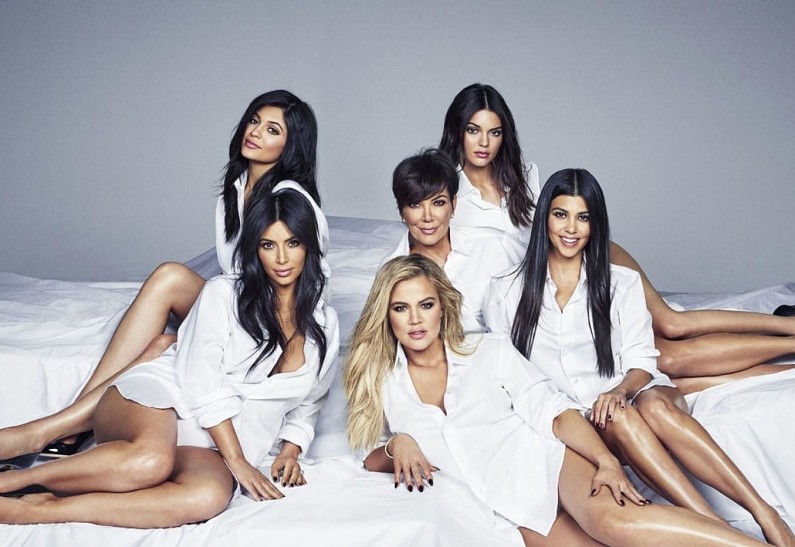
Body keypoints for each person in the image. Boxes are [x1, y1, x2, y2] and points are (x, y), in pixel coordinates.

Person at [344, 254, 767, 546]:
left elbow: (554, 412)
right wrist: (397, 444)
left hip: (545, 464)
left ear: (442, 307)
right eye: (401, 308)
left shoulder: (488, 352)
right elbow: (368, 456)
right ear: (387, 315)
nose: (415, 319)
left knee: (615, 522)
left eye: (425, 305)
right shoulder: (381, 381)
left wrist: (604, 461)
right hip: (502, 511)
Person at [0, 90, 326, 460]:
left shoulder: (291, 200)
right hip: (241, 306)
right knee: (163, 331)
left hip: (268, 320)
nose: (255, 133)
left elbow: (311, 279)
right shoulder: (237, 187)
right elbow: (236, 272)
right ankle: (69, 424)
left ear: (290, 146)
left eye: (272, 130)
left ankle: (60, 426)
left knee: (169, 291)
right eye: (254, 121)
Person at [484, 168, 794, 547]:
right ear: (545, 217)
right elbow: (505, 374)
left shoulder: (620, 282)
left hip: (638, 392)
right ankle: (715, 527)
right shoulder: (506, 292)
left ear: (595, 223)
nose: (571, 228)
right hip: (584, 420)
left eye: (583, 217)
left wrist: (620, 390)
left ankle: (763, 512)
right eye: (561, 214)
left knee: (644, 408)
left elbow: (643, 360)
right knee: (618, 415)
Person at [0, 188, 339, 528]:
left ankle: (42, 508)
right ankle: (16, 481)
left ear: (309, 246)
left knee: (207, 496)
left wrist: (290, 450)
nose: (281, 258)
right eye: (268, 245)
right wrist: (237, 460)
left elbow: (311, 401)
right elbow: (202, 383)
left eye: (292, 243)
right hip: (162, 399)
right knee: (151, 460)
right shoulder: (223, 294)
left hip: (211, 446)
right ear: (255, 249)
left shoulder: (325, 324)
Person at [439, 83, 795, 389]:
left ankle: (786, 325)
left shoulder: (524, 176)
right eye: (473, 130)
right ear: (458, 131)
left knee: (672, 323)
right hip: (541, 293)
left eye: (495, 132)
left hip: (586, 257)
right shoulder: (445, 196)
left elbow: (556, 224)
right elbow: (427, 259)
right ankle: (784, 361)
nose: (484, 142)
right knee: (663, 360)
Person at [385, 149, 514, 333]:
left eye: (438, 203)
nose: (427, 217)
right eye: (415, 204)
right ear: (401, 211)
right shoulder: (391, 269)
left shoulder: (492, 246)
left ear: (453, 205)